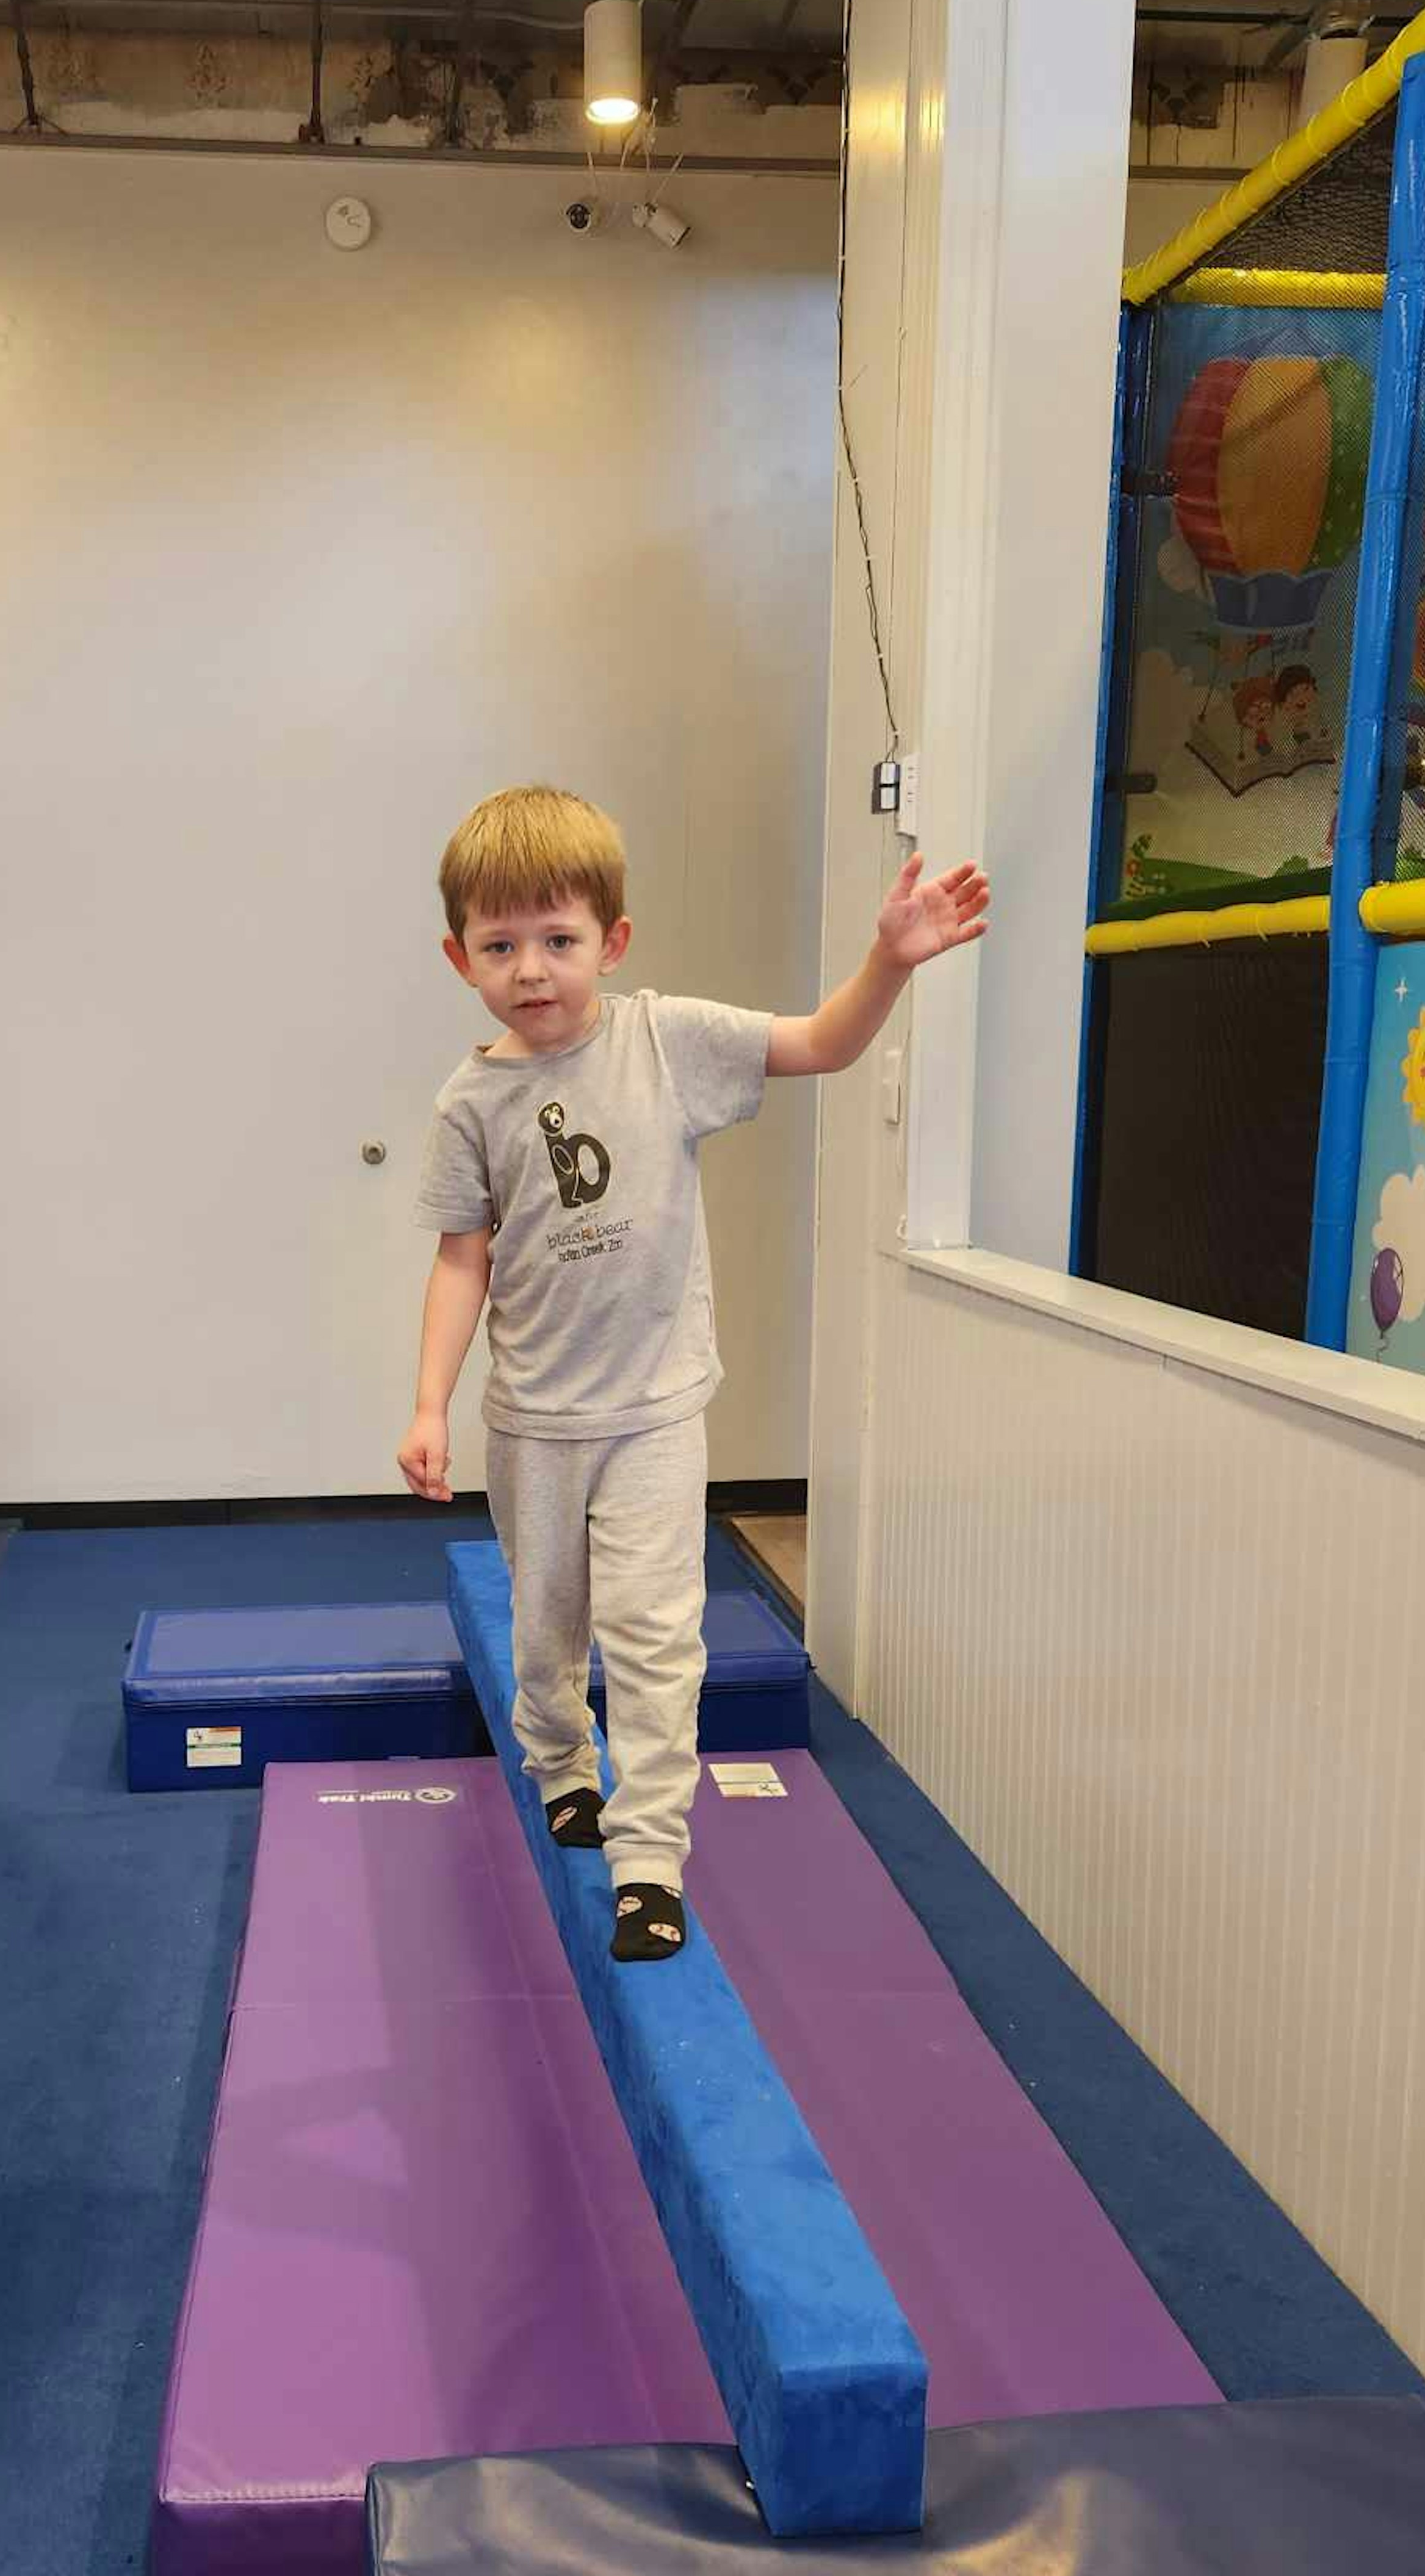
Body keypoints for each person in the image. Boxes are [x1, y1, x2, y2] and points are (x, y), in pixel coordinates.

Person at [398, 785, 989, 1963]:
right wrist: (429, 1405)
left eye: (559, 941)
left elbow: (821, 1042)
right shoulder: (470, 1103)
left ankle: (650, 1854)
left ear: (610, 942)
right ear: (460, 957)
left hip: (658, 1411)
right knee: (546, 1626)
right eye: (502, 947)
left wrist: (890, 960)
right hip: (535, 1424)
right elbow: (463, 1263)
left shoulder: (668, 1041)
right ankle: (560, 1757)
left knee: (657, 1632)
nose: (533, 970)